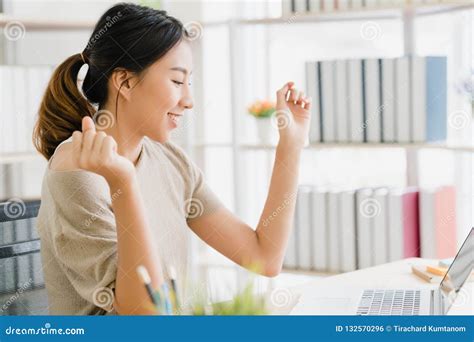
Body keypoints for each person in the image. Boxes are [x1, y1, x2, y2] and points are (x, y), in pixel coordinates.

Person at [33, 2, 312, 315]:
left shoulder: (169, 161)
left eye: (188, 82)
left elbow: (263, 257)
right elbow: (144, 314)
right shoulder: (77, 171)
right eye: (177, 81)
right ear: (124, 81)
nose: (189, 100)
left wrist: (290, 145)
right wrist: (122, 181)